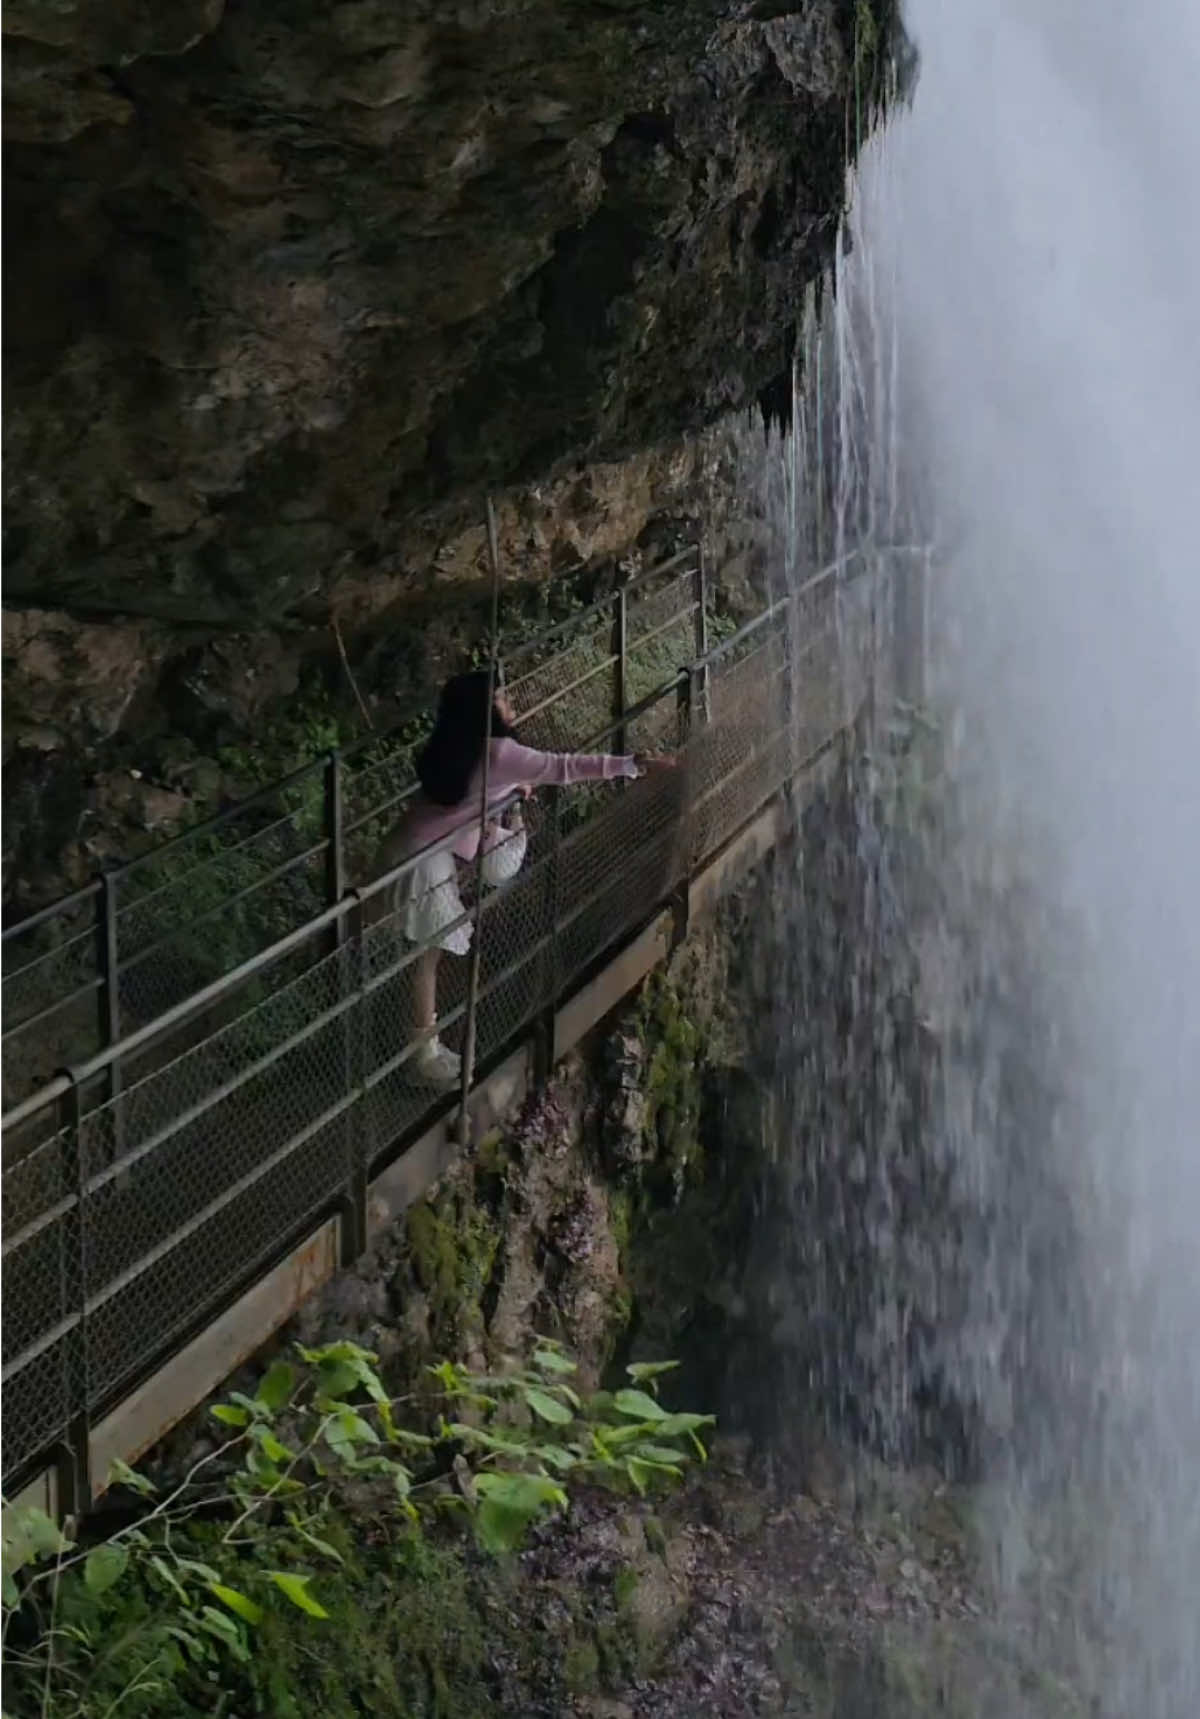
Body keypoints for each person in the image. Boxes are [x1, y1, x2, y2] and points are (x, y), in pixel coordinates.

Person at [374, 670, 672, 1086]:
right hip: (425, 863)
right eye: (501, 697)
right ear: (485, 710)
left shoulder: (457, 745)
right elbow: (564, 767)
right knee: (428, 957)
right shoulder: (500, 752)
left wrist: (516, 790)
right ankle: (423, 1058)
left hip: (404, 847)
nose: (510, 703)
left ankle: (408, 1041)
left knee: (410, 949)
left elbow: (476, 801)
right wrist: (633, 765)